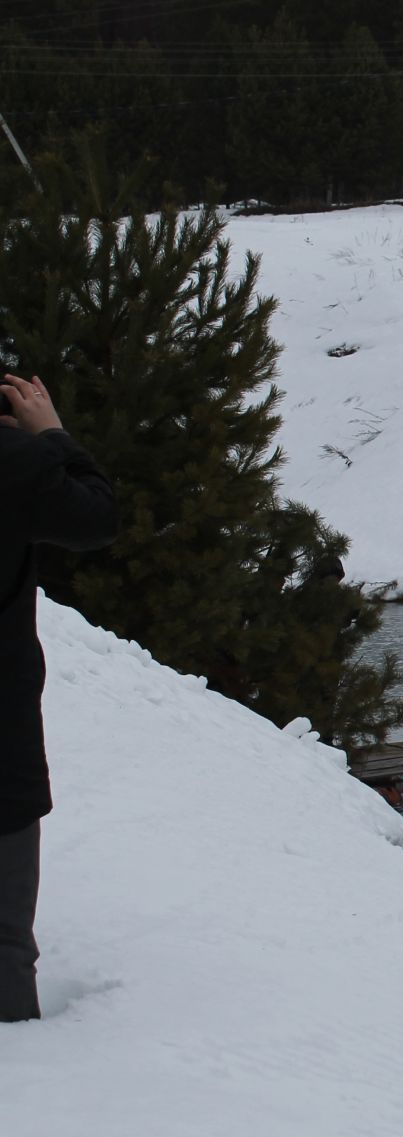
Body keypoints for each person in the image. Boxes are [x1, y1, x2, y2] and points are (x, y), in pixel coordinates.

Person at [0, 374, 118, 1023]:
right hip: (2, 731)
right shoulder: (14, 460)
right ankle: (33, 1082)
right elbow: (96, 517)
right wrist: (50, 434)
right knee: (3, 936)